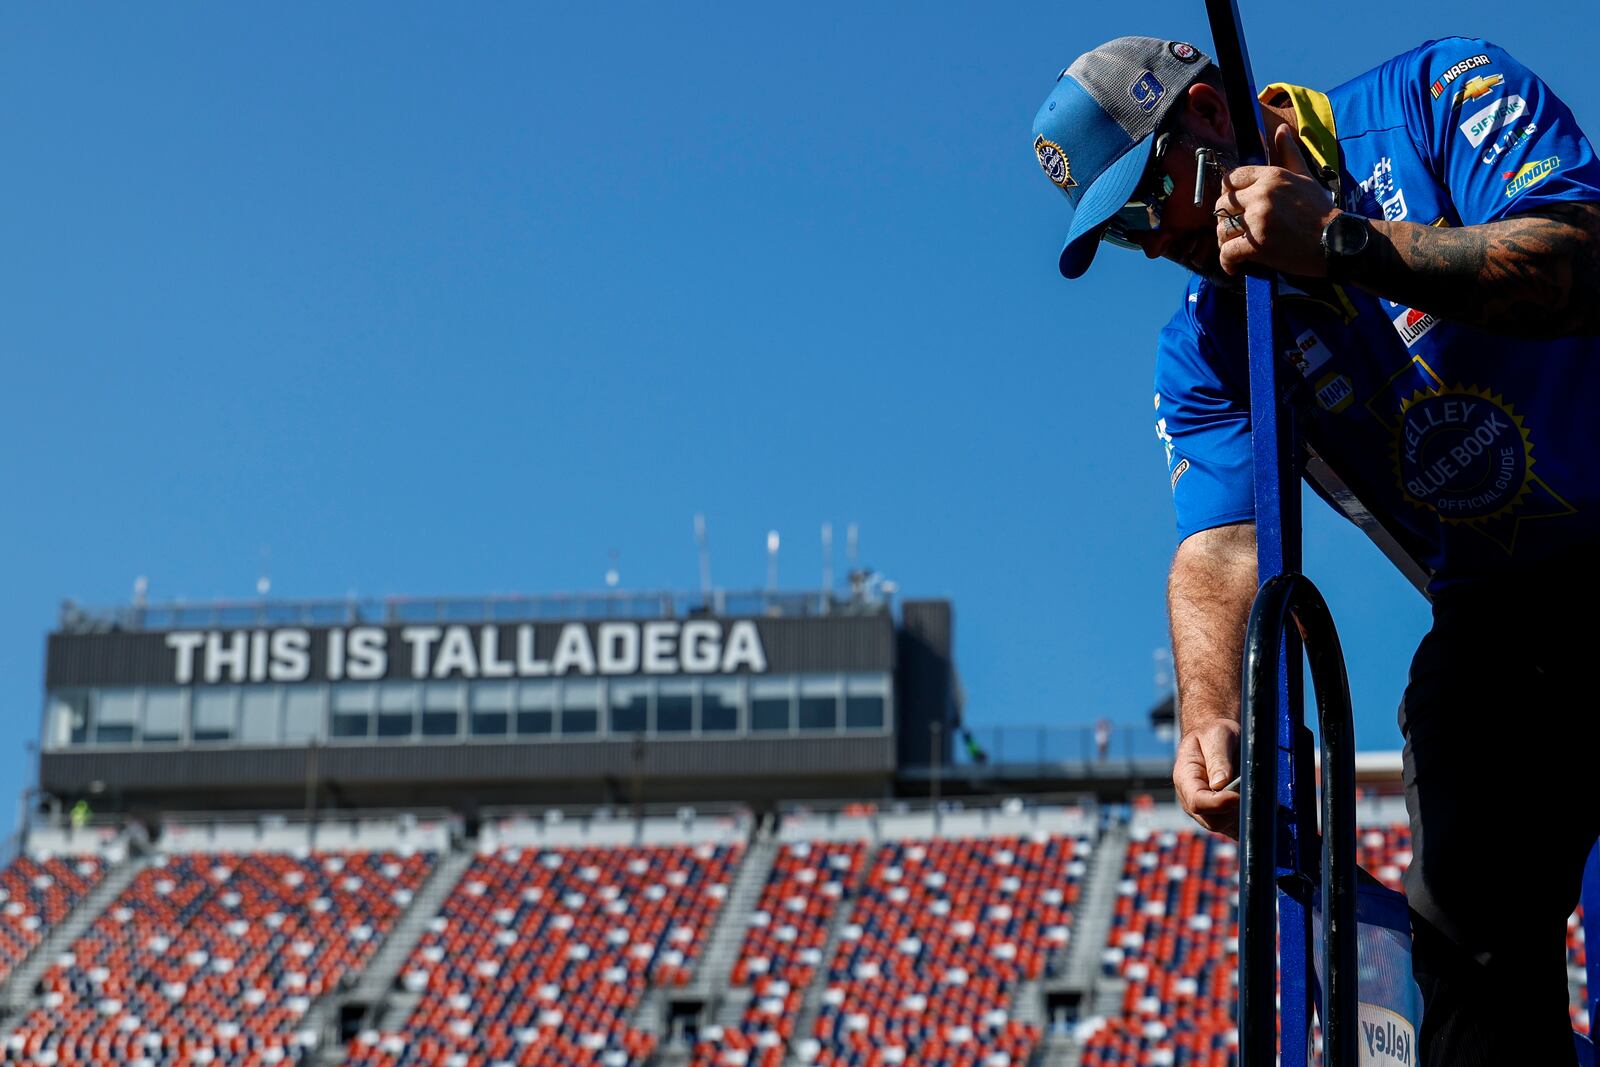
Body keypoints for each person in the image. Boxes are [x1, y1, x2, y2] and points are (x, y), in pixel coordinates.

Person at [1030, 34, 1600, 1067]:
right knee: (1460, 928)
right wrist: (1211, 709)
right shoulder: (1209, 342)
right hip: (1497, 609)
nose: (1150, 240)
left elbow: (1575, 256)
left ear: (1208, 113)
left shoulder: (1437, 97)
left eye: (1146, 198)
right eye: (1117, 232)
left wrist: (1343, 244)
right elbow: (1219, 542)